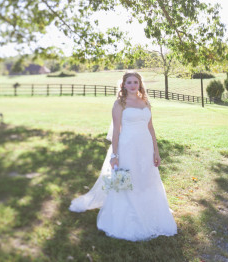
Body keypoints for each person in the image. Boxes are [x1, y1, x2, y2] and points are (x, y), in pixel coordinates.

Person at [69, 71, 177, 241]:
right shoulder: (120, 104)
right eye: (129, 82)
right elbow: (116, 133)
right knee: (127, 181)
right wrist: (115, 155)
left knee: (145, 179)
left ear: (140, 84)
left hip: (145, 147)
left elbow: (151, 128)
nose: (133, 85)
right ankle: (126, 217)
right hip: (127, 147)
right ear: (124, 85)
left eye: (135, 82)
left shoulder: (145, 101)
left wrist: (156, 151)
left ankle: (149, 211)